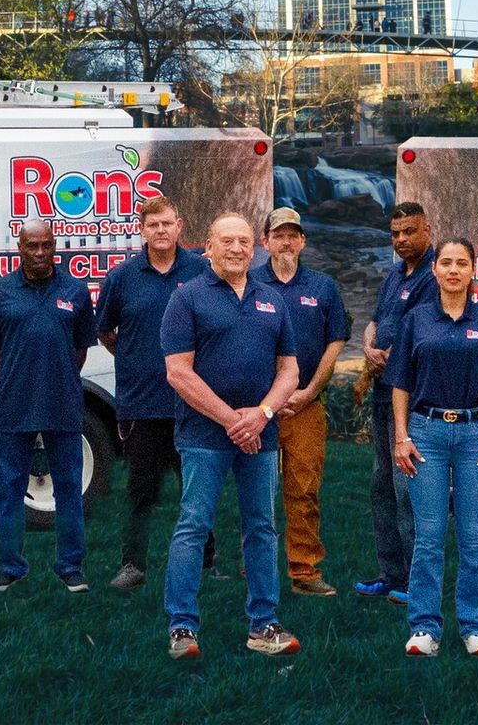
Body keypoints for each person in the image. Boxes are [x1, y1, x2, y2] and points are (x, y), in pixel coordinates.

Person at [160, 213, 302, 660]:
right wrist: (231, 421)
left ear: (253, 247)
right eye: (228, 241)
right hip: (205, 436)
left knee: (261, 527)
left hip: (261, 435)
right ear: (209, 246)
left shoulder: (271, 299)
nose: (237, 248)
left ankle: (264, 623)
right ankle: (182, 627)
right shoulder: (188, 299)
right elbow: (178, 372)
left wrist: (260, 415)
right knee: (193, 526)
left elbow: (290, 369)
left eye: (244, 241)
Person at [390, 239, 478, 657]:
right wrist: (402, 436)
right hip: (425, 434)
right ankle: (424, 627)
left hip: (477, 434)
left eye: (462, 263)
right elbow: (401, 383)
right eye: (446, 262)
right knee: (428, 536)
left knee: (474, 536)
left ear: (473, 270)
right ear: (436, 270)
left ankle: (475, 625)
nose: (454, 270)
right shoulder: (416, 320)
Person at [98, 195, 214, 590]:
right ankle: (132, 564)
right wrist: (142, 358)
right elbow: (107, 332)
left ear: (179, 225)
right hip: (142, 402)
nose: (161, 231)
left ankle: (208, 561)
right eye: (153, 225)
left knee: (198, 486)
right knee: (140, 490)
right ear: (141, 229)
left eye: (167, 223)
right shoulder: (122, 277)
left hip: (195, 403)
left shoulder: (201, 270)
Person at [0, 219, 99, 593]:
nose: (39, 253)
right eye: (32, 246)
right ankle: (10, 565)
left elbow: (79, 349)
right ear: (20, 248)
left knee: (68, 487)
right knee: (9, 488)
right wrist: (15, 381)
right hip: (14, 405)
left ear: (55, 247)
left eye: (46, 245)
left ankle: (70, 566)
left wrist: (57, 377)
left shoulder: (76, 291)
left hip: (63, 403)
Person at [250, 208, 350, 597]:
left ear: (303, 241)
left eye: (293, 235)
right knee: (256, 489)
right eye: (279, 235)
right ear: (266, 242)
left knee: (304, 488)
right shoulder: (251, 283)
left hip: (305, 406)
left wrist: (309, 392)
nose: (286, 242)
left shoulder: (322, 287)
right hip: (258, 408)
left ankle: (304, 570)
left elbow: (335, 341)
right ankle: (255, 566)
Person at [354, 202, 437, 600]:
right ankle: (390, 573)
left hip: (415, 395)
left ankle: (415, 581)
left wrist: (389, 355)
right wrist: (369, 346)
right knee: (380, 483)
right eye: (395, 233)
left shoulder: (434, 274)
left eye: (409, 231)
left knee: (408, 488)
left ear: (427, 230)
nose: (401, 239)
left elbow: (422, 332)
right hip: (384, 391)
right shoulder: (393, 274)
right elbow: (376, 321)